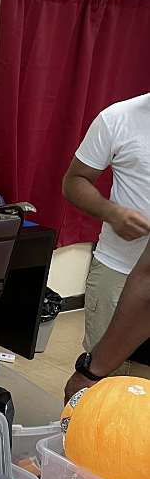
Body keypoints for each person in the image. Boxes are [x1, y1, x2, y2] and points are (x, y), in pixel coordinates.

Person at [62, 92, 150, 372]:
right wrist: (113, 213)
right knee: (105, 375)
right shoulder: (117, 118)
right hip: (117, 271)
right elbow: (74, 181)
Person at [64, 238, 150, 402]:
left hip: (135, 283)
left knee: (120, 399)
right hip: (118, 267)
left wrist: (92, 371)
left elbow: (147, 286)